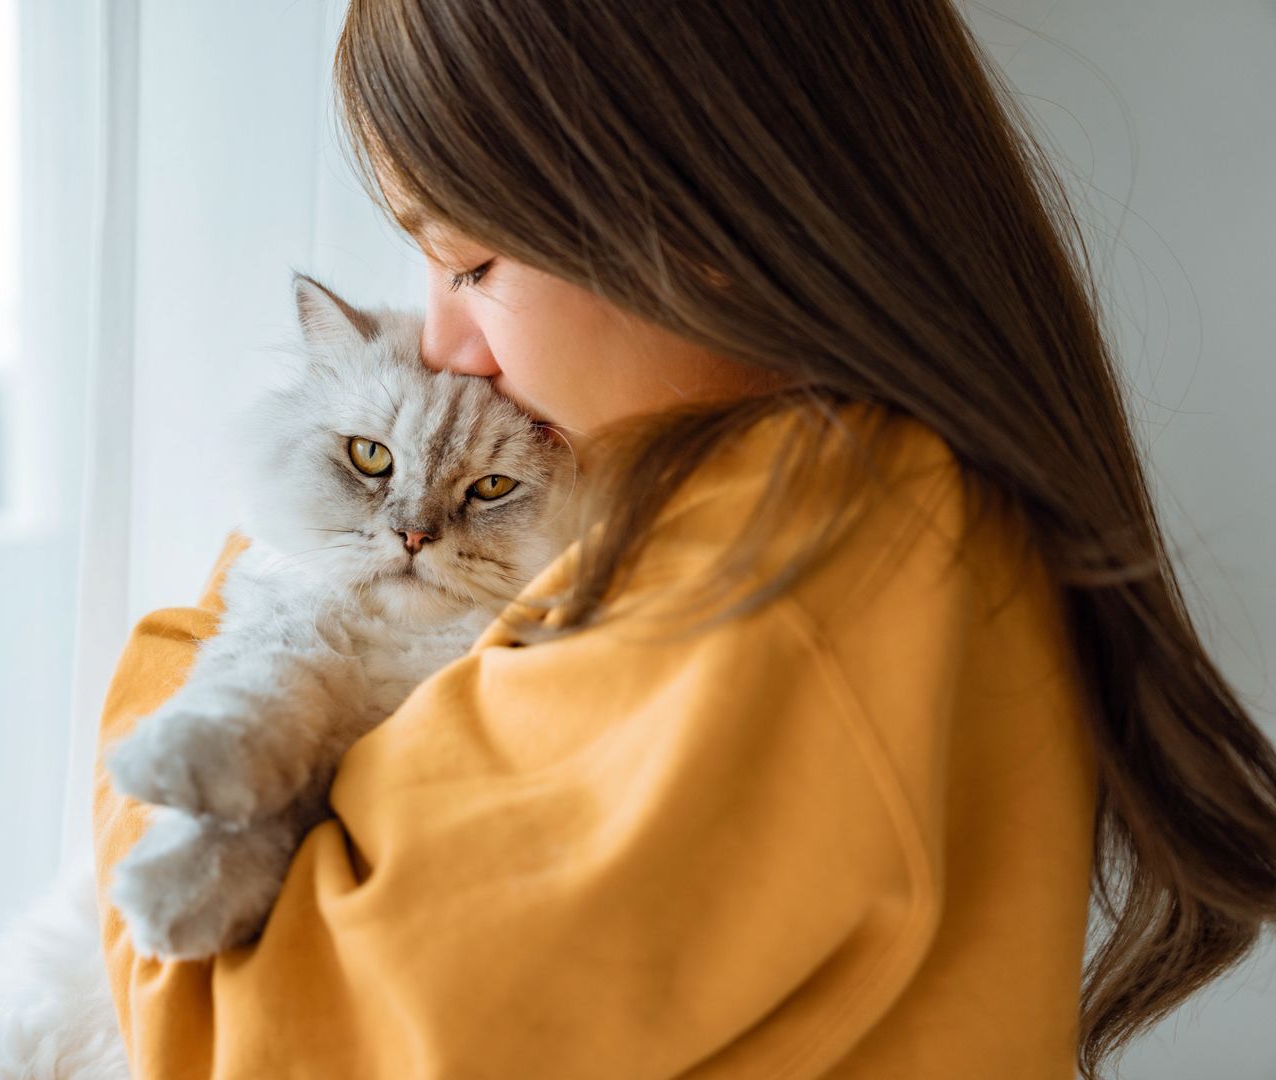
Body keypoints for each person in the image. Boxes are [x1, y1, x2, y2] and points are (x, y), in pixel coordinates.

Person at [91, 2, 1276, 1077]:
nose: (447, 344)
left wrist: (188, 655)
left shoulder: (808, 537)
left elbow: (249, 1041)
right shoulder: (874, 510)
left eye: (469, 263)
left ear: (693, 215)